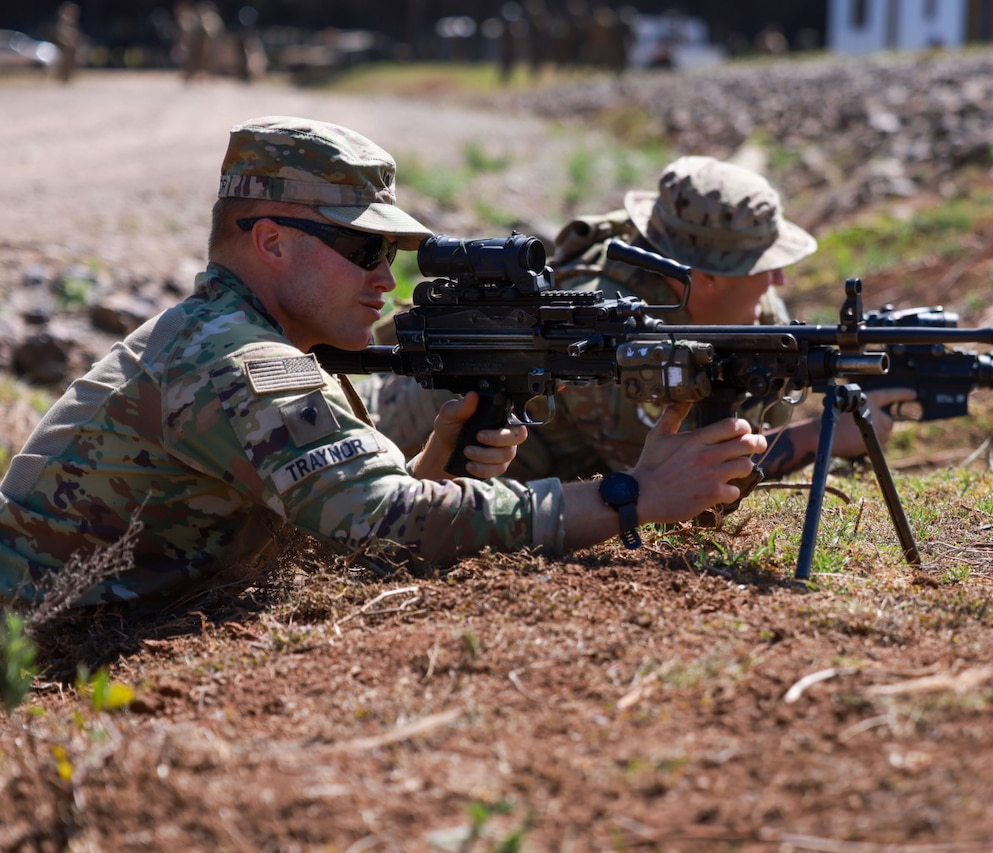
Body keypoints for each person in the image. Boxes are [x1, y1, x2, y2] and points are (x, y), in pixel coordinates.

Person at [0, 118, 766, 607]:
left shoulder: (252, 338)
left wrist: (437, 464)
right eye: (365, 250)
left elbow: (356, 520)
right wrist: (635, 494)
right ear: (271, 242)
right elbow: (381, 528)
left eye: (391, 254)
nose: (384, 279)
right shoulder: (238, 360)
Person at [361, 155, 913, 484]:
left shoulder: (748, 306)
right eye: (762, 269)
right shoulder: (602, 327)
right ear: (701, 277)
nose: (780, 283)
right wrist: (820, 438)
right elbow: (667, 478)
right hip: (393, 434)